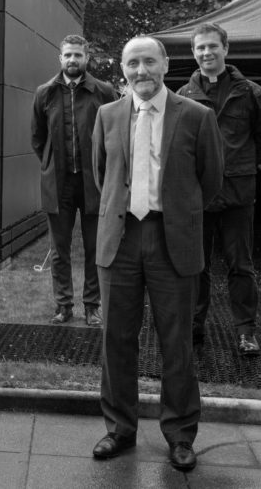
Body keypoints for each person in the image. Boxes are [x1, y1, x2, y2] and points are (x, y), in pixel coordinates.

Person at [91, 36, 223, 472]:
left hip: (173, 242)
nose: (141, 70)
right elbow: (101, 176)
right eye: (133, 63)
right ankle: (119, 429)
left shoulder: (198, 117)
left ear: (166, 64)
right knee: (116, 339)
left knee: (176, 342)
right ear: (123, 69)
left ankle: (181, 435)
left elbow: (211, 180)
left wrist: (177, 214)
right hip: (121, 238)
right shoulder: (107, 115)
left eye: (149, 61)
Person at [178, 22, 261, 357]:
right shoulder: (183, 96)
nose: (206, 53)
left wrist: (237, 165)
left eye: (212, 47)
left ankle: (246, 332)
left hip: (237, 196)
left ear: (226, 49)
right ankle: (193, 325)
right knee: (196, 265)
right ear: (194, 53)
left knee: (241, 266)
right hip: (199, 196)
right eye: (200, 48)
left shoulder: (251, 92)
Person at [32, 35, 117, 326]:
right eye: (67, 55)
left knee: (96, 247)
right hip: (59, 182)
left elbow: (114, 136)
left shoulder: (103, 91)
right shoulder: (45, 93)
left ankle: (92, 306)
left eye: (78, 55)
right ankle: (63, 305)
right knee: (60, 249)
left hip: (95, 182)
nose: (72, 60)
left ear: (87, 57)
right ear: (60, 58)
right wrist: (49, 164)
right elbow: (37, 138)